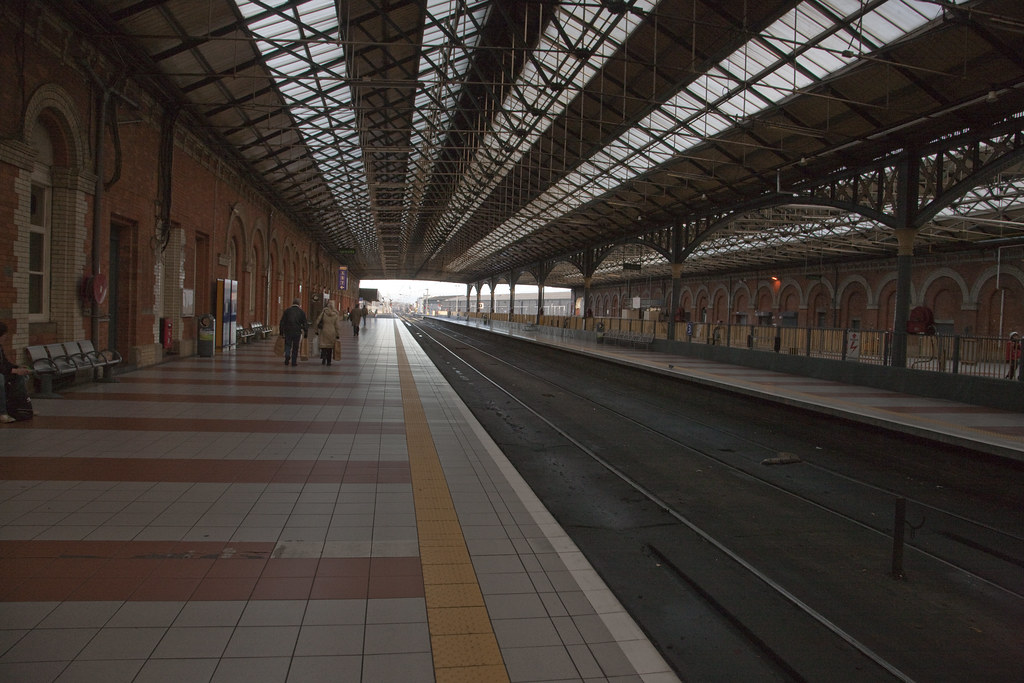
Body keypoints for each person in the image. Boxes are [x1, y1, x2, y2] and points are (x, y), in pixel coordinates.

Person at [0, 322, 32, 423]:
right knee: (0, 378)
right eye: (4, 335)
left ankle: (21, 406)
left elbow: (5, 363)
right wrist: (15, 370)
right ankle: (2, 412)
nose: (5, 338)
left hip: (3, 371)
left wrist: (17, 367)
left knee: (19, 377)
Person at [278, 298, 308, 366]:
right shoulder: (301, 312)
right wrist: (306, 332)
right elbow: (305, 323)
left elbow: (282, 322)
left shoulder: (287, 311)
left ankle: (287, 355)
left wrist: (281, 332)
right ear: (299, 304)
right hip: (297, 331)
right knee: (295, 346)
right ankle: (294, 362)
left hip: (288, 331)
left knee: (288, 344)